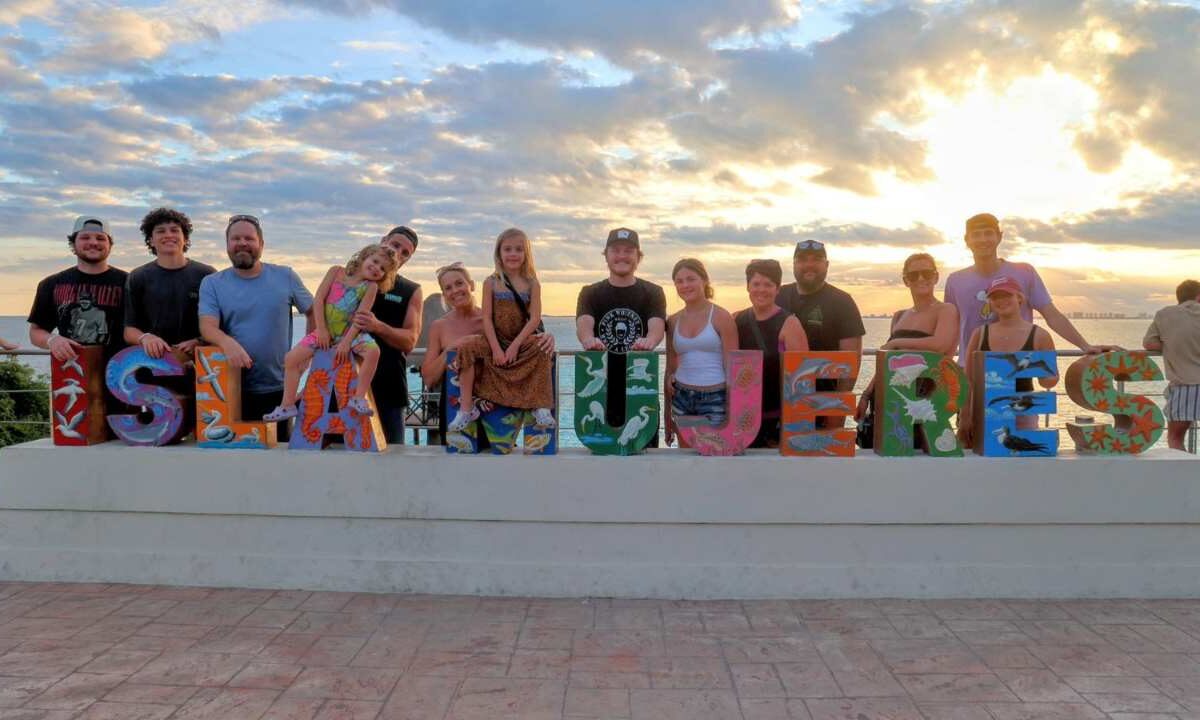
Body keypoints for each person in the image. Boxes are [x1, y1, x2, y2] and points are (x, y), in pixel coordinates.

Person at [945, 213, 1118, 364]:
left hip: (1017, 368)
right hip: (969, 368)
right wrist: (945, 365)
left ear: (999, 237)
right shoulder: (955, 281)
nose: (983, 240)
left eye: (988, 233)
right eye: (976, 235)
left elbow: (1051, 314)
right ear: (967, 240)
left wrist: (1085, 346)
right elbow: (951, 329)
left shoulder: (1024, 272)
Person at [199, 214, 314, 440]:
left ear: (261, 244)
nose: (242, 243)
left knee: (279, 452)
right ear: (227, 245)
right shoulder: (212, 283)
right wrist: (227, 343)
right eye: (236, 238)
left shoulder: (286, 276)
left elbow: (314, 312)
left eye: (249, 238)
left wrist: (307, 352)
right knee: (235, 454)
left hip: (279, 389)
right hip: (230, 389)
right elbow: (207, 327)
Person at [265, 244, 398, 421]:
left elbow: (360, 317)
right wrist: (321, 330)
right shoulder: (336, 272)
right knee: (290, 359)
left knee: (374, 352)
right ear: (364, 256)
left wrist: (346, 342)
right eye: (375, 261)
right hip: (324, 331)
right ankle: (287, 405)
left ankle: (358, 398)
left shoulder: (370, 287)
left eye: (382, 269)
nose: (376, 268)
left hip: (349, 334)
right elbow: (318, 299)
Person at [448, 228, 555, 431]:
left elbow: (534, 319)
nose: (513, 254)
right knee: (467, 348)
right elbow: (487, 318)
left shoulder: (532, 283)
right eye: (508, 249)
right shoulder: (491, 282)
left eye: (519, 249)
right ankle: (466, 408)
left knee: (542, 348)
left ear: (526, 253)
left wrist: (515, 346)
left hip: (520, 340)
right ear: (499, 253)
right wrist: (497, 349)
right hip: (494, 340)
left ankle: (541, 405)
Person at [854, 253, 959, 445]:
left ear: (936, 277)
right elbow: (888, 363)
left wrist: (896, 344)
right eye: (914, 275)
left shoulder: (946, 310)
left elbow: (940, 344)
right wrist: (866, 394)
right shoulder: (899, 316)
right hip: (892, 398)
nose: (921, 278)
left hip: (925, 400)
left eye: (927, 273)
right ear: (906, 280)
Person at [576, 228, 667, 439]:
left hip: (639, 386)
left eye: (628, 251)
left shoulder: (653, 292)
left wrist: (649, 341)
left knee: (643, 448)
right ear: (606, 256)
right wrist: (588, 339)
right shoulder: (590, 292)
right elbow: (584, 324)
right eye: (616, 250)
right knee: (601, 446)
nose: (622, 256)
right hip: (603, 388)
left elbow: (656, 327)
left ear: (638, 257)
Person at [958, 276, 1058, 447]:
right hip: (984, 413)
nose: (1001, 300)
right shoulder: (980, 334)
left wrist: (1045, 372)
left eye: (1007, 295)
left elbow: (1049, 381)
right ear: (990, 302)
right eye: (995, 297)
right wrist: (965, 416)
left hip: (1024, 414)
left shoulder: (1040, 336)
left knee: (1021, 457)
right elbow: (968, 379)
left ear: (1019, 297)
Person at [776, 238, 864, 425]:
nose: (809, 264)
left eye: (816, 259)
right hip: (776, 406)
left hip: (821, 407)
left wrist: (836, 413)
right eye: (802, 259)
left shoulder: (842, 302)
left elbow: (851, 361)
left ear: (827, 265)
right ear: (794, 264)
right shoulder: (778, 296)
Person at [353, 226, 423, 443]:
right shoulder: (349, 278)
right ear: (383, 240)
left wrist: (378, 326)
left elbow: (410, 341)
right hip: (345, 380)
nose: (398, 254)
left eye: (405, 253)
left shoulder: (410, 290)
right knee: (337, 452)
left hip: (389, 388)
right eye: (395, 245)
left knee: (393, 456)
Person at [28, 216, 127, 363]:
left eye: (100, 238)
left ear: (110, 245)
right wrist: (52, 340)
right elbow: (36, 332)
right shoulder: (51, 284)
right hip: (70, 369)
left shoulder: (130, 283)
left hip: (120, 370)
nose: (93, 242)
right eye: (85, 237)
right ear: (73, 244)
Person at [123, 208, 216, 361]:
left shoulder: (207, 275)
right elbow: (129, 330)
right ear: (151, 240)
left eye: (174, 230)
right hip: (154, 363)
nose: (168, 235)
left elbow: (221, 322)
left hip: (200, 362)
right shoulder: (138, 277)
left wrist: (200, 341)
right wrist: (146, 338)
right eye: (161, 231)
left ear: (185, 238)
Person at [664, 258, 738, 447]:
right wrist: (666, 417)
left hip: (715, 397)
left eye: (691, 279)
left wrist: (734, 410)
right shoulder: (673, 321)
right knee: (686, 456)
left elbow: (733, 368)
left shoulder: (722, 317)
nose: (685, 285)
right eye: (679, 281)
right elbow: (670, 368)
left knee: (713, 454)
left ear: (704, 280)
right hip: (682, 397)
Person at [735, 258, 808, 447]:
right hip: (742, 417)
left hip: (776, 419)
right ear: (748, 287)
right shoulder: (736, 319)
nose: (761, 290)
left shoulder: (790, 323)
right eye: (756, 284)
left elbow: (803, 380)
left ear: (777, 289)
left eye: (768, 284)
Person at [1143, 279, 1200, 451]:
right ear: (1198, 296)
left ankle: (1183, 469)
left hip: (1186, 386)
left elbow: (1149, 344)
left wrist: (1172, 345)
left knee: (1175, 438)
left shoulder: (1165, 315)